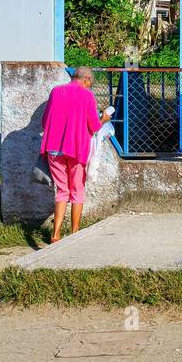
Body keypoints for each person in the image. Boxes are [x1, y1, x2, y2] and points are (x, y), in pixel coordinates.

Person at [41, 66, 113, 242]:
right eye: (91, 83)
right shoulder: (87, 95)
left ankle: (55, 235)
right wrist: (104, 119)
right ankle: (74, 234)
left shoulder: (56, 91)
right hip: (76, 149)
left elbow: (44, 122)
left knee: (62, 191)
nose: (90, 86)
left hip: (53, 148)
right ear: (86, 79)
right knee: (77, 191)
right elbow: (94, 126)